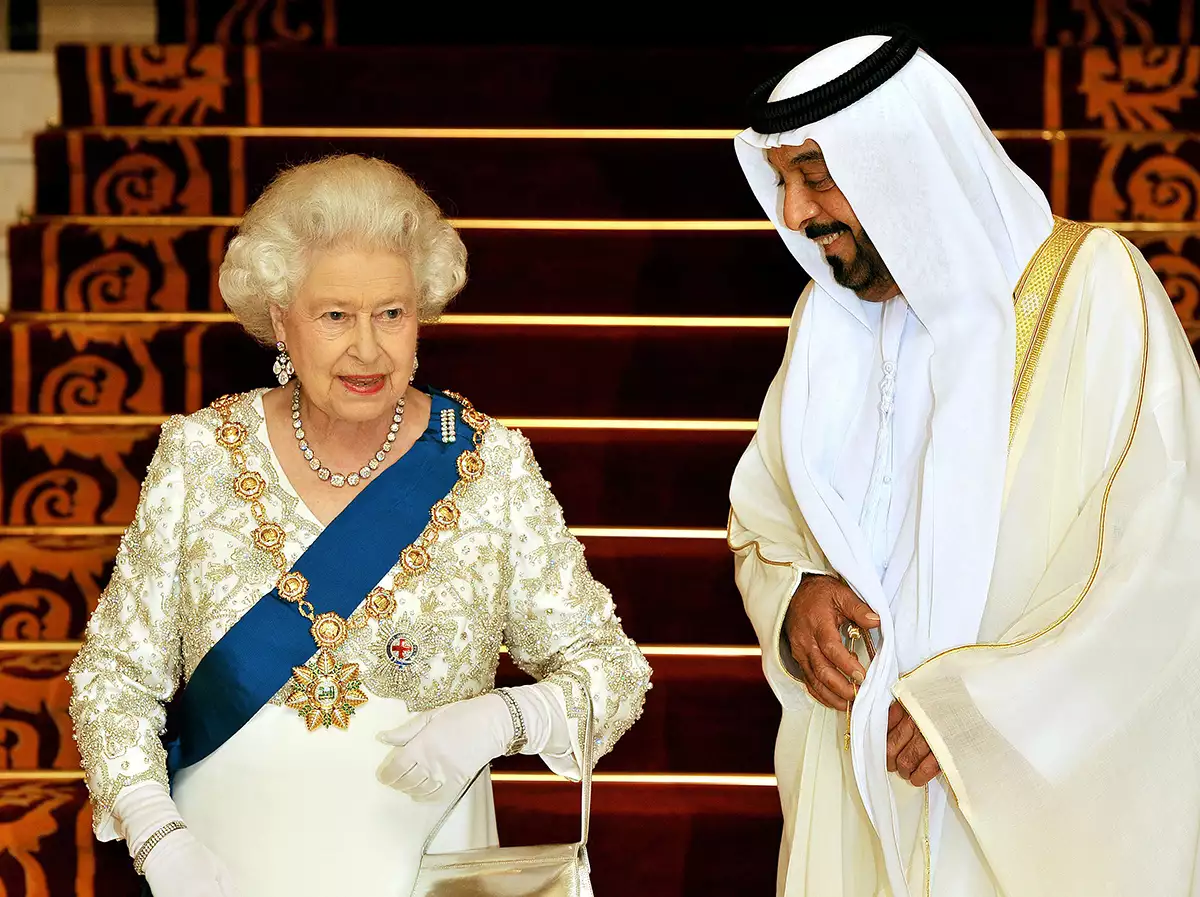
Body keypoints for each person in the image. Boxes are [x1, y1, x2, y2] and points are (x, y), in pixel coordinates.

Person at [68, 154, 652, 896]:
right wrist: (157, 829)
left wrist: (506, 717)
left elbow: (612, 670)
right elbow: (113, 677)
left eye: (391, 313)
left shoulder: (486, 465)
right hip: (222, 871)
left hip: (425, 872)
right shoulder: (200, 455)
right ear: (282, 317)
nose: (368, 349)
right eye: (336, 314)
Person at [728, 28, 1200, 897]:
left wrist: (979, 712)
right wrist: (796, 593)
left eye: (815, 175)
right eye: (783, 180)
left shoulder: (1092, 291)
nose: (794, 214)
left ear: (900, 161)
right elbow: (764, 517)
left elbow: (1166, 557)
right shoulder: (829, 325)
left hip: (1027, 795)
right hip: (860, 782)